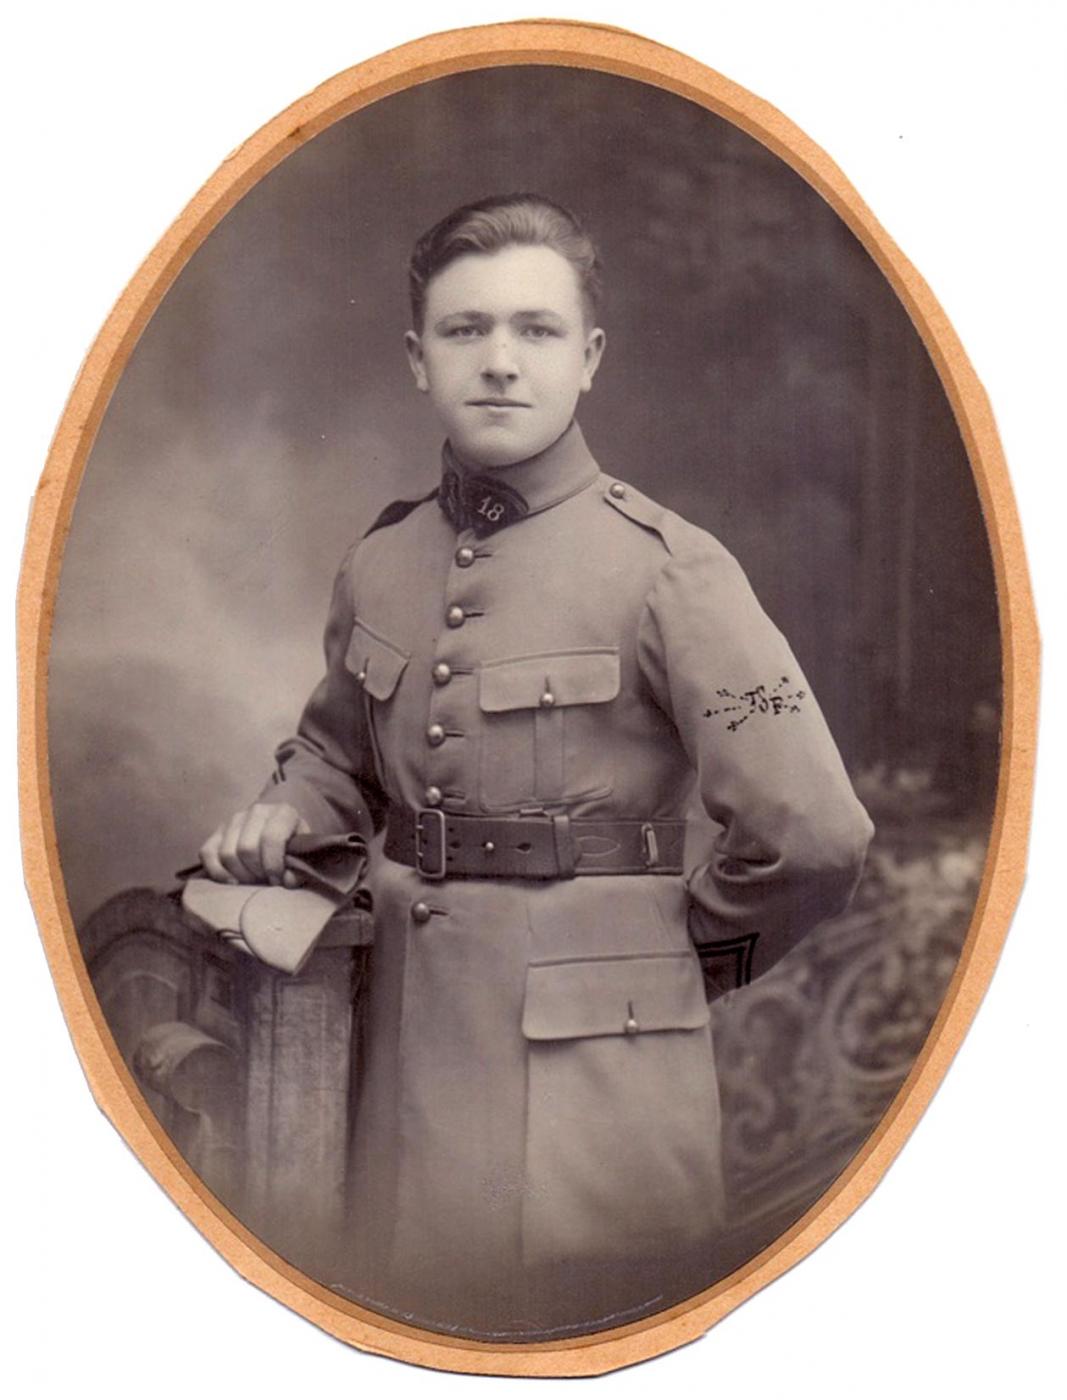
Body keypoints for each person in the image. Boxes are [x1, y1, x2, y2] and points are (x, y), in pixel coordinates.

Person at [199, 193, 874, 1339]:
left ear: (589, 357)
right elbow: (335, 756)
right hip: (399, 1078)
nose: (500, 360)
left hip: (593, 1096)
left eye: (536, 329)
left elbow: (815, 834)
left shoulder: (670, 571)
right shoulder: (380, 562)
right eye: (465, 329)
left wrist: (674, 962)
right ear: (417, 357)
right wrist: (285, 808)